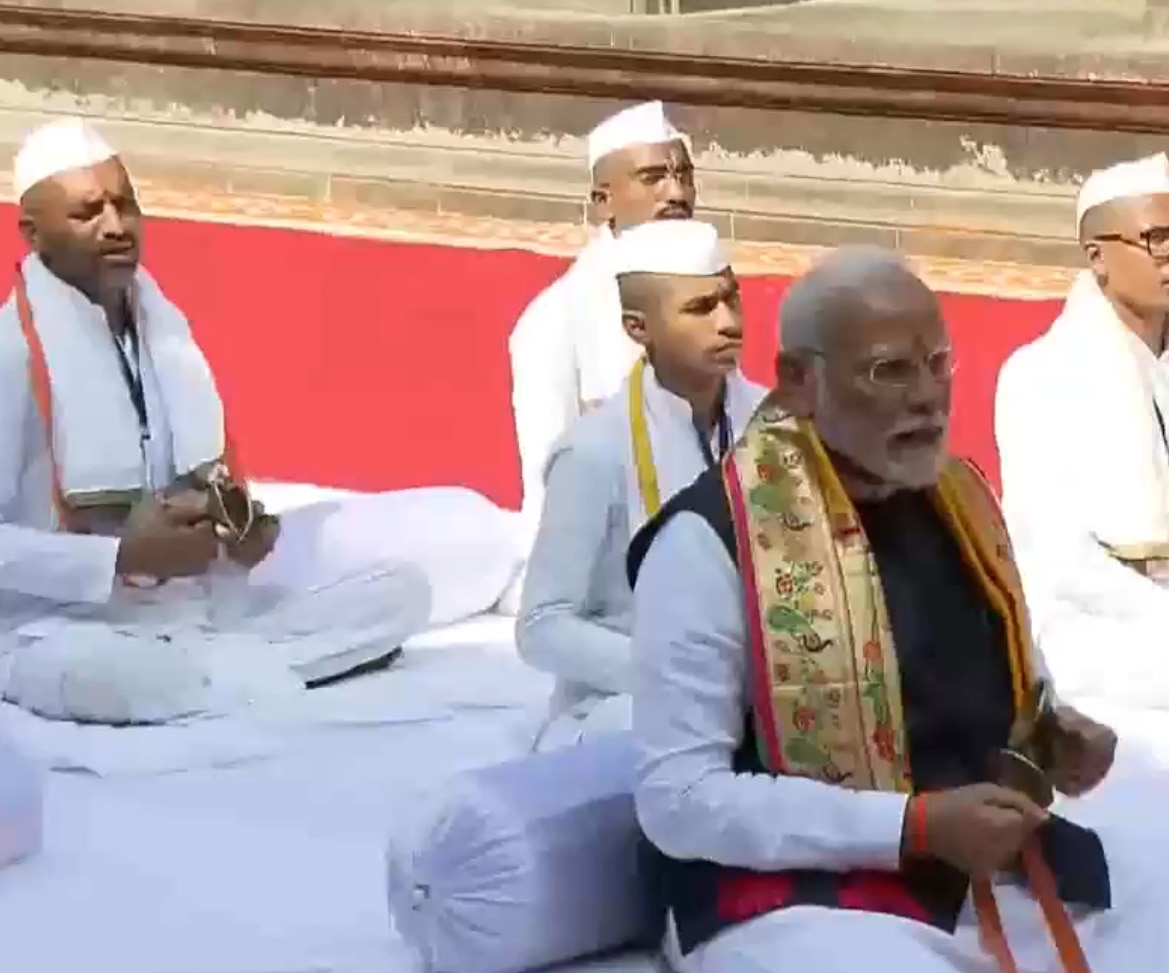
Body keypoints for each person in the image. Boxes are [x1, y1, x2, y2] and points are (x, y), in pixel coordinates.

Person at [625, 247, 1169, 973]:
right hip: (793, 897)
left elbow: (998, 695)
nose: (927, 397)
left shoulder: (956, 503)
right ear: (796, 382)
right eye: (889, 371)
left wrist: (1052, 737)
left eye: (938, 364)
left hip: (976, 865)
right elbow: (678, 799)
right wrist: (911, 826)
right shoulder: (708, 539)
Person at [0, 118, 521, 719]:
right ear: (33, 234)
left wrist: (240, 530)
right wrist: (115, 560)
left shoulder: (161, 332)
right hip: (61, 624)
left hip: (194, 608)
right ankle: (236, 676)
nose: (116, 226)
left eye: (125, 204)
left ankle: (216, 679)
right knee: (95, 675)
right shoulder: (13, 354)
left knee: (399, 592)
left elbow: (200, 483)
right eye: (88, 213)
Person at [994, 153, 1169, 711]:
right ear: (1098, 258)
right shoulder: (1039, 374)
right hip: (1094, 622)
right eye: (1158, 238)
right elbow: (1057, 561)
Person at [517, 219, 764, 751]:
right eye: (699, 309)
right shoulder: (594, 452)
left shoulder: (777, 423)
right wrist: (673, 679)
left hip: (763, 688)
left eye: (731, 298)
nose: (727, 323)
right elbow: (541, 625)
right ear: (638, 327)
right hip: (623, 702)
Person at [509, 100, 696, 521]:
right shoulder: (553, 323)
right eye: (653, 178)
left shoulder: (710, 301)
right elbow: (552, 499)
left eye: (683, 176)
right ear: (601, 202)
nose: (677, 193)